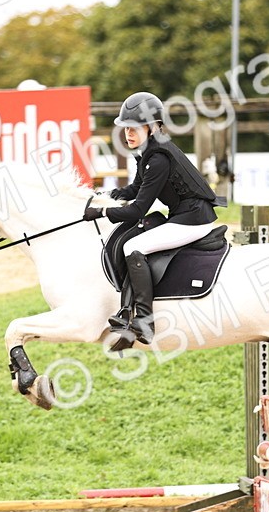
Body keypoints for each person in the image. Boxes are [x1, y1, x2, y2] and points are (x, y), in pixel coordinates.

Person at [87, 91, 224, 351]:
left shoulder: (158, 158)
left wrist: (103, 214)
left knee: (132, 247)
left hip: (193, 219)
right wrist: (102, 197)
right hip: (184, 214)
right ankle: (127, 312)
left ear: (152, 127)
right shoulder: (148, 152)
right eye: (126, 127)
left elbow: (138, 209)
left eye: (135, 128)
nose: (128, 133)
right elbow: (133, 191)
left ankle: (144, 319)